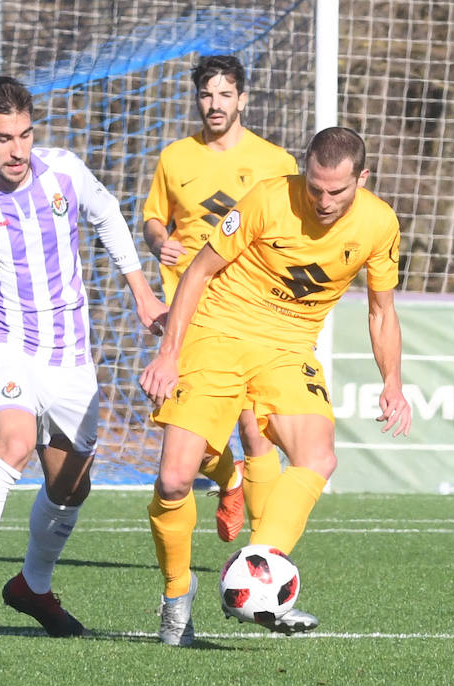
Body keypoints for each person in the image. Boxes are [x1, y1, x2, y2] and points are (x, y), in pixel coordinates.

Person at [0, 76, 166, 638]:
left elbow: (108, 214)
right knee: (13, 446)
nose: (17, 150)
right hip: (3, 343)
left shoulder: (62, 170)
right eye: (3, 138)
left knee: (72, 486)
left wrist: (141, 291)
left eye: (25, 135)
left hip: (70, 354)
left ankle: (32, 588)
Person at [139, 126, 412, 646]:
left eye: (337, 191)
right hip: (217, 331)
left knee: (318, 457)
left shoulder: (380, 223)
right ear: (304, 173)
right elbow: (197, 272)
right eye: (314, 187)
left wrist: (392, 383)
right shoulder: (268, 198)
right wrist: (169, 354)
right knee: (175, 480)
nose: (324, 200)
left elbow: (382, 311)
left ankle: (257, 575)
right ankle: (177, 595)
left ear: (363, 178)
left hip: (288, 348)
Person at [142, 54, 299, 543]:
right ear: (197, 99)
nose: (215, 104)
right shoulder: (175, 158)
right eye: (207, 94)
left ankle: (263, 552)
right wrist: (156, 240)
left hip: (251, 312)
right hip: (189, 312)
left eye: (225, 94)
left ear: (242, 99)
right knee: (190, 436)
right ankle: (228, 478)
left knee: (255, 429)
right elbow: (153, 218)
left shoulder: (276, 163)